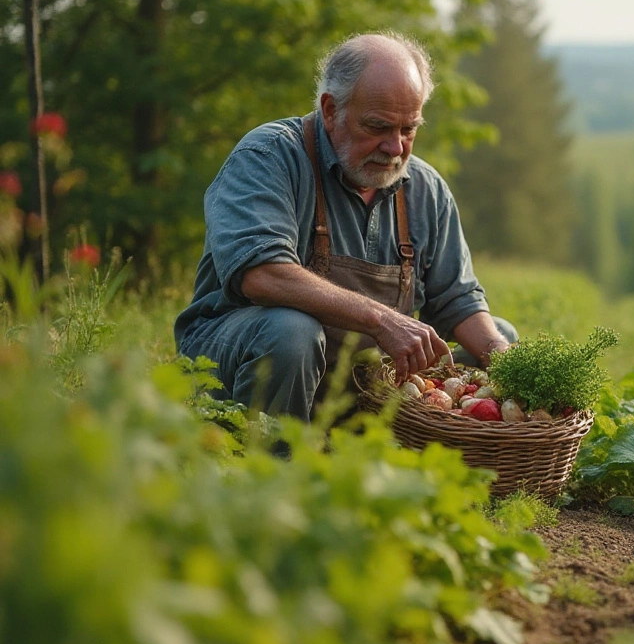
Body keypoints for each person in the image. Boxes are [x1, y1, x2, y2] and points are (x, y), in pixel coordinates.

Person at [174, 32, 514, 421]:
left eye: (409, 129)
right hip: (238, 363)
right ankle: (266, 469)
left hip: (363, 380)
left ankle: (416, 470)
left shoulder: (425, 189)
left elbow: (457, 300)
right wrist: (382, 319)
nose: (396, 147)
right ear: (330, 110)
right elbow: (262, 274)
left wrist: (506, 360)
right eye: (378, 127)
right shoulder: (269, 156)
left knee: (495, 341)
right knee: (291, 332)